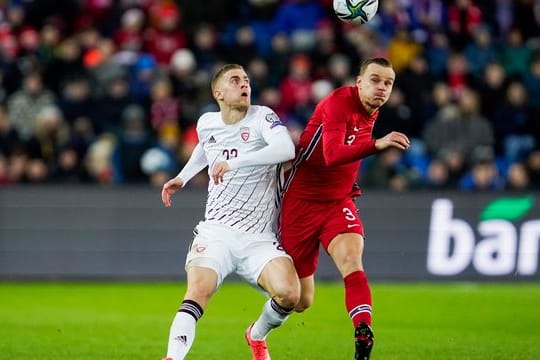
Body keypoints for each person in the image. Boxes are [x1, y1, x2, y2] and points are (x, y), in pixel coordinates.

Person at [160, 63, 300, 360]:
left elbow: (286, 150)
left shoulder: (263, 117)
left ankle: (256, 335)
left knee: (291, 295)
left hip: (260, 237)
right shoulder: (207, 123)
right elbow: (206, 147)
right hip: (217, 231)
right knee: (199, 291)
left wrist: (235, 164)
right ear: (218, 92)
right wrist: (182, 177)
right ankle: (172, 358)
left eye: (247, 80)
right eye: (235, 80)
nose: (244, 84)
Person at [279, 58, 410, 360]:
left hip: (338, 201)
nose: (381, 88)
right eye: (375, 80)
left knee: (352, 261)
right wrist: (377, 145)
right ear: (359, 81)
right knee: (300, 300)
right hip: (301, 203)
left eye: (388, 83)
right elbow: (334, 154)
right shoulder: (339, 101)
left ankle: (362, 332)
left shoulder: (372, 111)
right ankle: (256, 333)